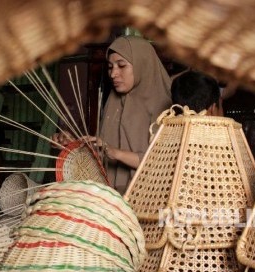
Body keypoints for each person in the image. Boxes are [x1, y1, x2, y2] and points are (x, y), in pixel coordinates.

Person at [52, 36, 172, 195]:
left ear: (142, 64)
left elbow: (166, 163)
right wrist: (74, 145)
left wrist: (114, 152)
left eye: (122, 65)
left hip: (148, 200)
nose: (113, 73)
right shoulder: (114, 102)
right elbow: (103, 155)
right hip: (110, 199)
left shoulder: (166, 107)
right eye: (110, 67)